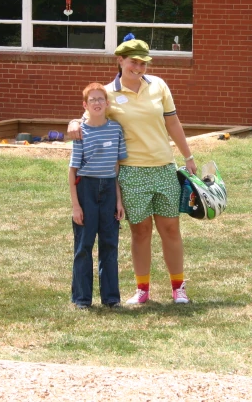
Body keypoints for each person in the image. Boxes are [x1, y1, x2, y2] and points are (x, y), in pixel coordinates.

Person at [68, 35, 197, 305]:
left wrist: (188, 156)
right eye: (133, 63)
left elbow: (173, 123)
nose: (138, 68)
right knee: (140, 232)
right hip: (131, 172)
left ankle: (178, 288)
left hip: (163, 167)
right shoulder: (109, 93)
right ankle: (142, 290)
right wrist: (73, 122)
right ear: (120, 61)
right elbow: (90, 116)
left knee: (171, 229)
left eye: (143, 64)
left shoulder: (159, 85)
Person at [68, 83, 127, 309]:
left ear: (107, 103)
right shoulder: (81, 131)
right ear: (85, 105)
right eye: (92, 100)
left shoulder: (115, 129)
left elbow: (116, 166)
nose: (97, 103)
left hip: (109, 188)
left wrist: (118, 200)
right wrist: (76, 206)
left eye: (100, 99)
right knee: (84, 245)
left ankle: (111, 297)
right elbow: (72, 170)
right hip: (86, 189)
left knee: (109, 244)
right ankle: (82, 298)